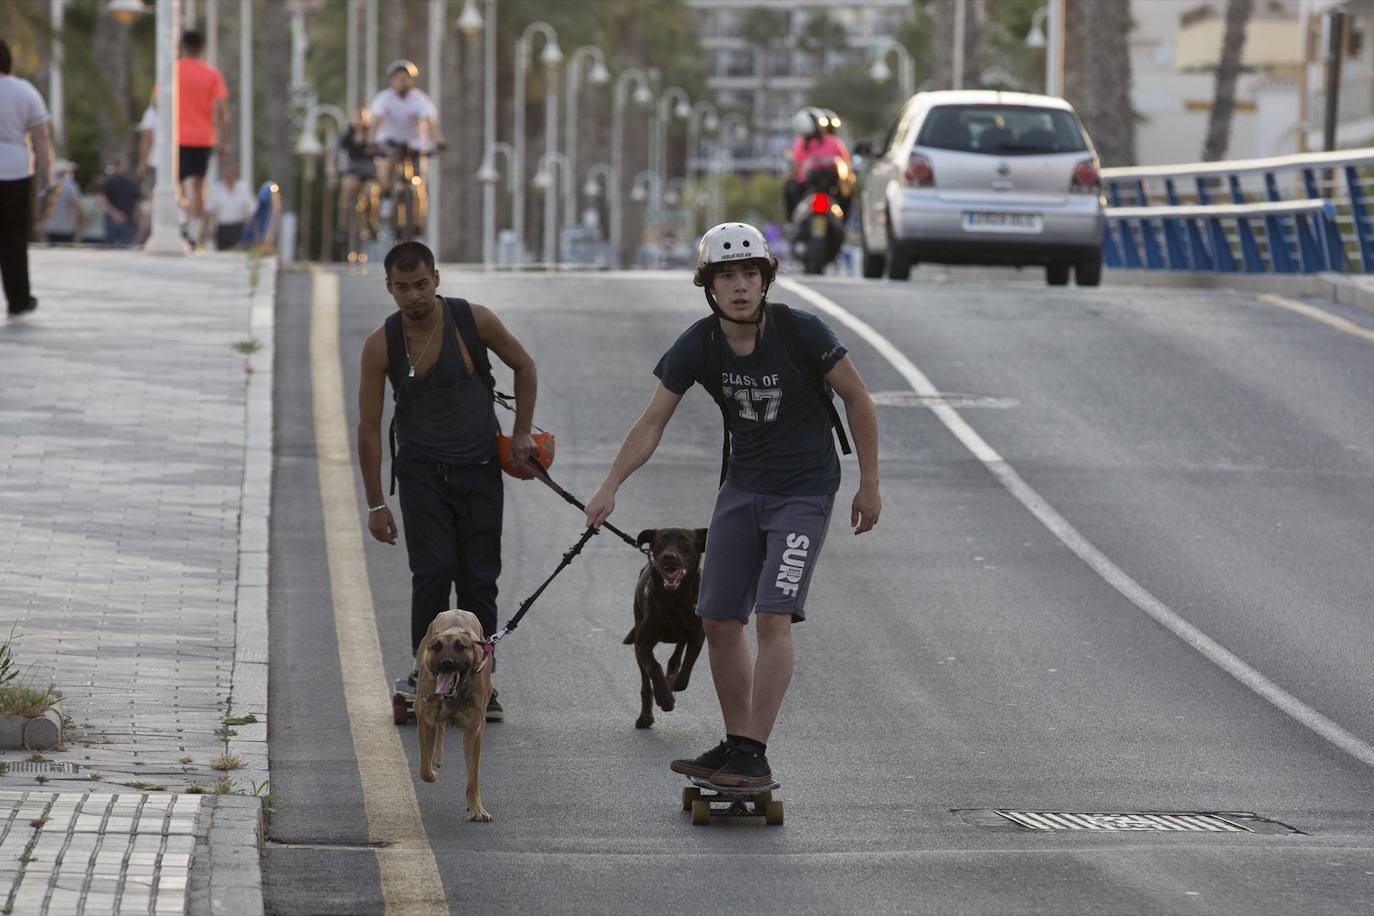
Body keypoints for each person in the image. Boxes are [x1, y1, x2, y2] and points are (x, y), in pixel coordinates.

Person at [584, 222, 881, 789]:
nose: (740, 286)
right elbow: (652, 422)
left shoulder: (802, 331)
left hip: (804, 491)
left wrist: (869, 482)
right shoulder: (700, 343)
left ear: (765, 280)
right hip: (741, 491)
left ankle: (753, 750)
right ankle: (737, 742)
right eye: (727, 277)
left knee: (773, 616)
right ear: (709, 287)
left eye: (750, 273)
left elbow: (858, 397)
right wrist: (610, 486)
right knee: (717, 619)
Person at [356, 241, 538, 722]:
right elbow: (369, 427)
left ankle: (481, 684)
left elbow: (525, 366)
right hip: (421, 477)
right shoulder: (382, 344)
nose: (413, 296)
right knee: (432, 574)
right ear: (389, 288)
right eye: (402, 287)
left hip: (479, 471)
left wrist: (521, 434)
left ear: (436, 278)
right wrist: (376, 503)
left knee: (479, 582)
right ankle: (426, 680)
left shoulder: (473, 321)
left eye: (421, 284)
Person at [0, 37, 51, 316]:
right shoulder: (24, 91)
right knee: (14, 238)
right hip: (16, 173)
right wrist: (47, 176)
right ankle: (19, 299)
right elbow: (41, 138)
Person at [168, 29, 230, 248]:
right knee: (197, 184)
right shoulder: (211, 74)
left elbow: (158, 103)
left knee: (178, 183)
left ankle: (183, 221)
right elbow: (221, 111)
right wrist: (224, 140)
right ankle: (195, 231)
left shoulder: (172, 71)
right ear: (201, 48)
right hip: (204, 137)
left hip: (177, 136)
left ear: (182, 46)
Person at [368, 60, 443, 216]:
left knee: (418, 183)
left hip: (414, 143)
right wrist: (371, 142)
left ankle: (417, 224)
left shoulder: (420, 99)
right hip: (390, 139)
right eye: (397, 78)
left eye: (405, 78)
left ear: (411, 81)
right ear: (391, 80)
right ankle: (387, 198)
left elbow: (431, 123)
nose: (401, 82)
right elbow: (374, 123)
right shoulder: (384, 98)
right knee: (387, 164)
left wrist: (439, 142)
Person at [783, 107, 851, 218]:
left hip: (824, 188)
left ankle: (790, 221)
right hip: (821, 188)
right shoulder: (834, 141)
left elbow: (794, 167)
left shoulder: (801, 142)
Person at [335, 105, 378, 238]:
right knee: (346, 190)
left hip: (369, 171)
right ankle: (342, 226)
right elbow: (334, 151)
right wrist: (331, 167)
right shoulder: (347, 132)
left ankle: (372, 222)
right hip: (352, 169)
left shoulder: (372, 132)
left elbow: (381, 148)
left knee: (371, 193)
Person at [204, 161, 256, 250]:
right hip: (222, 228)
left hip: (239, 227)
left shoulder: (243, 188)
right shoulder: (216, 189)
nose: (229, 177)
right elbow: (210, 210)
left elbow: (252, 207)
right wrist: (211, 228)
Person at [96, 158, 142, 248]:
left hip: (112, 219)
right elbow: (138, 202)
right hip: (128, 219)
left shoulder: (108, 181)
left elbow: (101, 200)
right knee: (128, 248)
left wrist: (114, 214)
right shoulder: (131, 182)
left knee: (110, 248)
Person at [38, 159, 84, 245]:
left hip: (48, 228)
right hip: (66, 229)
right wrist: (81, 225)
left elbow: (41, 207)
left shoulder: (46, 186)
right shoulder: (70, 186)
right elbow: (78, 207)